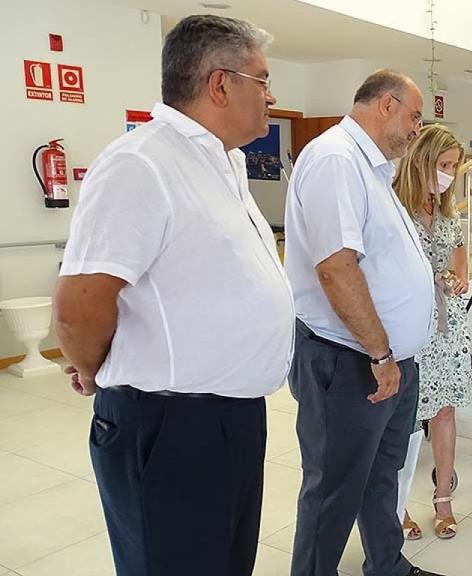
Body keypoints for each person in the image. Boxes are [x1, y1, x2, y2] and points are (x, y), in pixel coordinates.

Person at [52, 15, 293, 576]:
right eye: (261, 80)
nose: (270, 95)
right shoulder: (142, 164)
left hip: (231, 418)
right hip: (168, 426)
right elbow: (79, 302)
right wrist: (99, 369)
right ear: (219, 84)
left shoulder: (225, 161)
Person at [284, 69, 443, 576]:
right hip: (353, 360)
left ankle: (387, 566)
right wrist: (380, 353)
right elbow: (336, 266)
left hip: (390, 360)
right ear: (386, 105)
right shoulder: (335, 159)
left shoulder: (372, 168)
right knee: (333, 488)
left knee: (382, 475)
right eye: (415, 116)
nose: (418, 128)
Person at [393, 124, 472, 540]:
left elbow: (460, 261)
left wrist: (458, 280)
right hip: (409, 328)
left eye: (453, 167)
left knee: (443, 413)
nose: (447, 174)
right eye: (443, 165)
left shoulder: (447, 212)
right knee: (403, 418)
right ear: (421, 160)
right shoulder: (395, 208)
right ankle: (398, 503)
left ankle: (443, 499)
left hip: (446, 331)